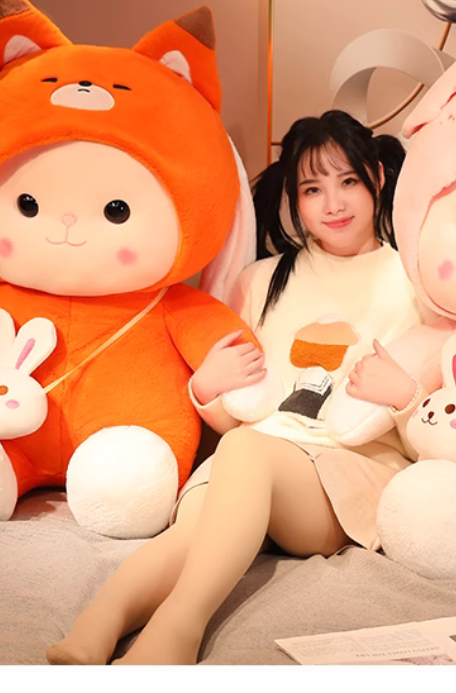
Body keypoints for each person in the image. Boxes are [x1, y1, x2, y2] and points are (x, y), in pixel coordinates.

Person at [47, 110, 424, 665]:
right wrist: (205, 390)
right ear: (295, 199)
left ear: (378, 177)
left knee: (245, 449)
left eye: (348, 181)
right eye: (312, 189)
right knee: (191, 530)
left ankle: (179, 628)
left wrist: (406, 397)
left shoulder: (415, 281)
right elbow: (240, 413)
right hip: (250, 463)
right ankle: (95, 627)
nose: (333, 204)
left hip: (343, 480)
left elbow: (432, 432)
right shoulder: (260, 281)